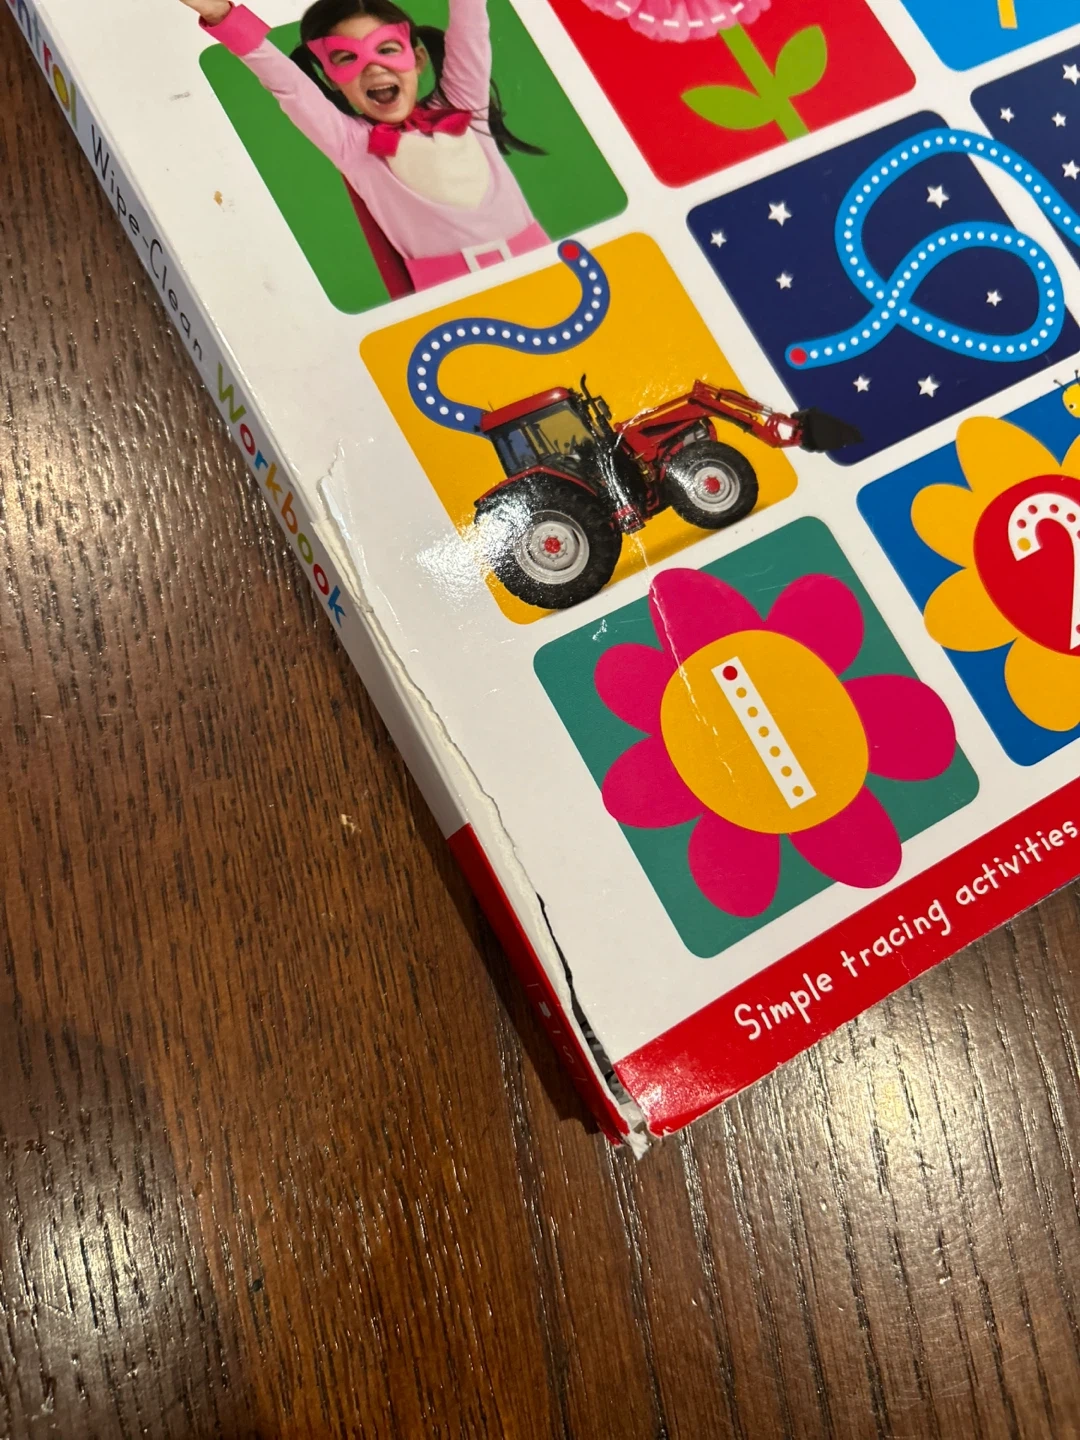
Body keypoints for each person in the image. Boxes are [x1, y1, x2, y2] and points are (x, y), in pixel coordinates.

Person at [181, 0, 549, 290]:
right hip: (450, 296)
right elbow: (287, 84)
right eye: (347, 58)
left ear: (418, 59)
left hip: (543, 265)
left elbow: (471, 26)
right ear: (331, 79)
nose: (373, 69)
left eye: (387, 49)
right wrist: (222, 15)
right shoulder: (352, 145)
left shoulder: (465, 105)